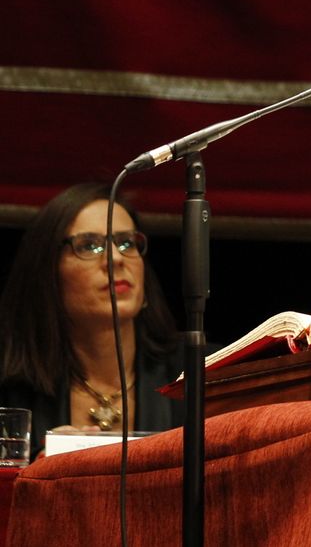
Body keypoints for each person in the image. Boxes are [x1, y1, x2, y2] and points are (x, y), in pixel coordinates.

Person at [0, 183, 184, 459]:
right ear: (48, 273)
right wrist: (31, 478)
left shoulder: (200, 372)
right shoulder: (9, 388)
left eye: (126, 243)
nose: (116, 259)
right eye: (89, 246)